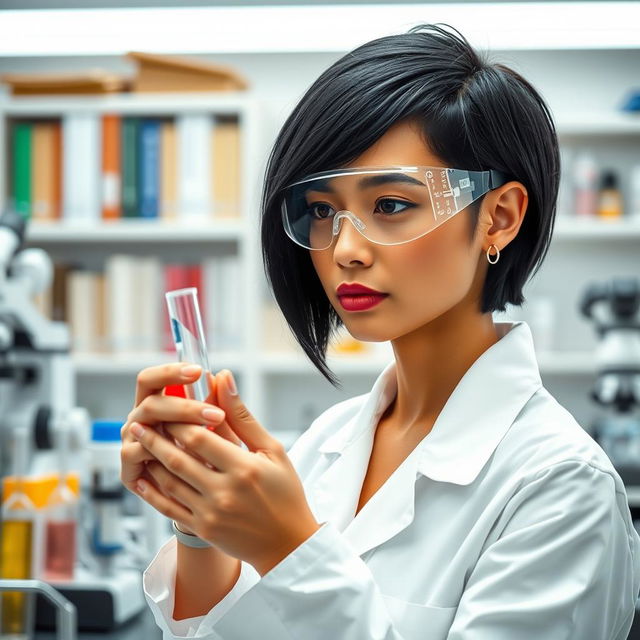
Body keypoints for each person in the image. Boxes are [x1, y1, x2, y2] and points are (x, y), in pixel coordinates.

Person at [120, 23, 640, 639]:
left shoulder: (561, 486)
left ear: (498, 218)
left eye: (391, 205)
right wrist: (199, 522)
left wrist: (289, 548)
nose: (344, 249)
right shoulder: (327, 442)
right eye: (320, 211)